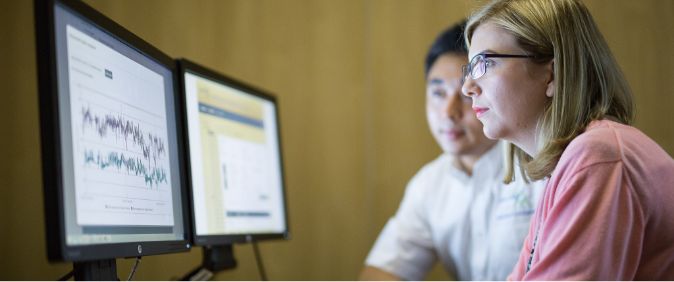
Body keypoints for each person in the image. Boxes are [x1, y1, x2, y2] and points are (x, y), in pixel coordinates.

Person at [461, 0, 674, 280]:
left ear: (552, 73)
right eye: (470, 68)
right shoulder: (572, 163)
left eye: (485, 63)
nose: (467, 87)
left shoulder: (598, 157)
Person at [359, 21, 543, 281]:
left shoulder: (540, 164)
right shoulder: (429, 184)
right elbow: (381, 272)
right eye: (437, 93)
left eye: (466, 95)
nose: (448, 112)